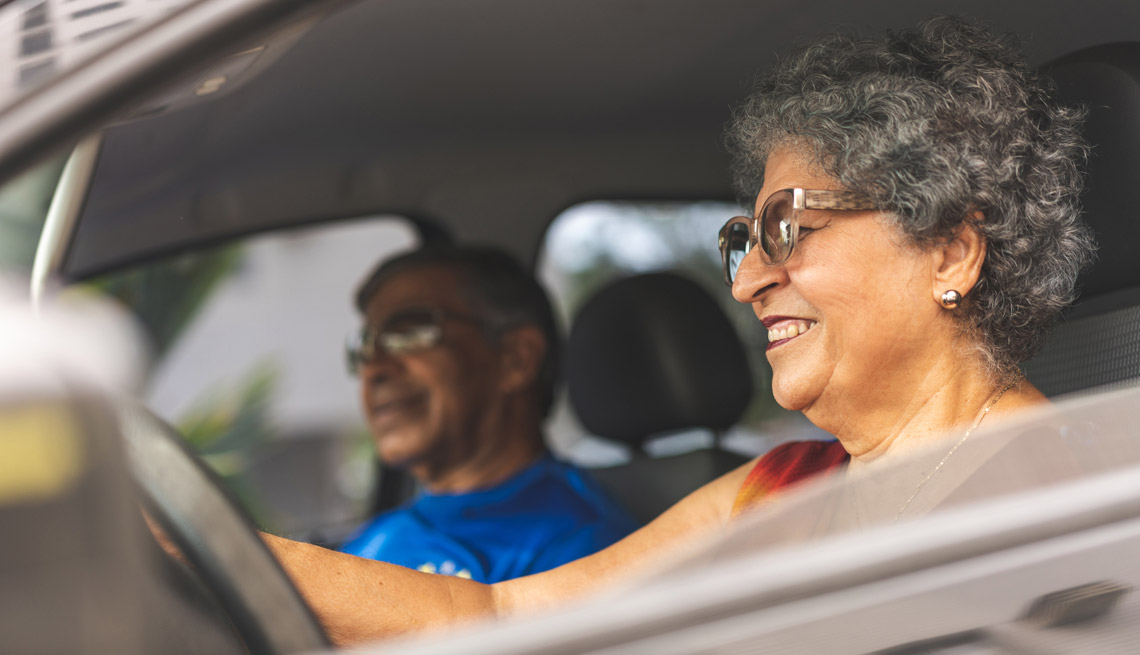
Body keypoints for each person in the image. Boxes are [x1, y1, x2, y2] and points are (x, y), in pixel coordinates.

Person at [258, 16, 1094, 645]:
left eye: (787, 229)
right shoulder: (776, 487)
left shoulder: (1062, 514)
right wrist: (218, 551)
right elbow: (503, 611)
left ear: (949, 250)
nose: (746, 279)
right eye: (743, 239)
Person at [335, 246, 636, 583]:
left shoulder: (580, 551)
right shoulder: (379, 536)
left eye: (409, 333)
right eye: (365, 346)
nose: (373, 369)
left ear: (516, 359)